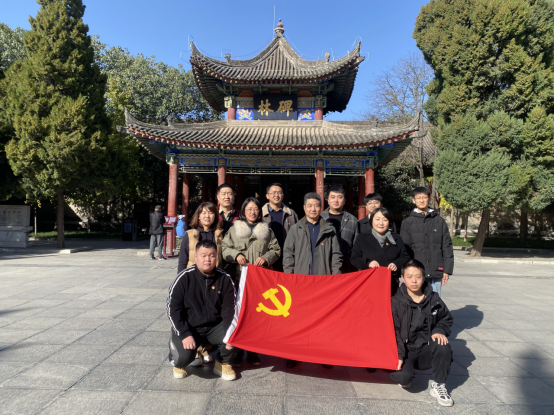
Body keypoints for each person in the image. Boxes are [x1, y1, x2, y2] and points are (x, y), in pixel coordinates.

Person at [282, 192, 343, 368]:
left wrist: (335, 278)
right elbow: (288, 255)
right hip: (300, 281)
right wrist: (289, 277)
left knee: (324, 320)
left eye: (316, 205)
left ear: (320, 207)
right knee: (298, 319)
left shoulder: (329, 229)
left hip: (323, 282)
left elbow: (336, 255)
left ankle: (323, 355)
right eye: (309, 205)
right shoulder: (295, 229)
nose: (313, 209)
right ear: (304, 208)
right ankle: (295, 353)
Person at [222, 197, 281, 367]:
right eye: (249, 209)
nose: (252, 212)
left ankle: (253, 352)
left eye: (255, 209)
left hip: (259, 282)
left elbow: (276, 249)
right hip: (240, 279)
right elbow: (224, 249)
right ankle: (238, 351)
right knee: (240, 316)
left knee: (256, 317)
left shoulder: (267, 230)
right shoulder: (234, 229)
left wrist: (266, 257)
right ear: (243, 211)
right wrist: (236, 255)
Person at [167, 240, 238, 381]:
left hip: (214, 327)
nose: (208, 259)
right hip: (190, 327)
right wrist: (184, 333)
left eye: (212, 255)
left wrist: (230, 334)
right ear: (196, 257)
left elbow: (230, 310)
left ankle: (222, 362)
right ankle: (178, 356)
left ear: (216, 257)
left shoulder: (225, 279)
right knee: (182, 359)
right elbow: (173, 309)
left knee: (237, 335)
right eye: (203, 255)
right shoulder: (184, 278)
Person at [391, 259, 454, 407]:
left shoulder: (434, 298)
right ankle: (408, 373)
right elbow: (394, 330)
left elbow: (446, 319)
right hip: (406, 350)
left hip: (426, 347)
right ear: (403, 278)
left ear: (424, 277)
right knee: (404, 379)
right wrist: (399, 354)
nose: (414, 280)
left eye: (418, 276)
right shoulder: (395, 302)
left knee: (443, 345)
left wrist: (439, 330)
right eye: (409, 276)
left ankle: (439, 385)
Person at [400, 187, 454, 297]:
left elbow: (447, 247)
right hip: (416, 272)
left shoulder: (439, 221)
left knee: (435, 301)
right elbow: (404, 249)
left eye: (424, 197)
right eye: (418, 198)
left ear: (429, 199)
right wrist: (406, 270)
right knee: (416, 300)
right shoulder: (407, 222)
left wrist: (447, 270)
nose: (421, 200)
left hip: (436, 270)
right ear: (413, 200)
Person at [350, 207, 410, 297]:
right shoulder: (362, 237)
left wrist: (396, 264)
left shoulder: (396, 238)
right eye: (377, 219)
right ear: (371, 220)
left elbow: (405, 257)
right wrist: (368, 263)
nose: (381, 223)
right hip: (369, 282)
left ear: (389, 222)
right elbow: (354, 258)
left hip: (390, 283)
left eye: (385, 220)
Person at [177, 202, 224, 275]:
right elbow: (182, 260)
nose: (207, 216)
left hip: (214, 276)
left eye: (211, 213)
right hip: (193, 276)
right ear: (199, 216)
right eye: (204, 213)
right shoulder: (190, 234)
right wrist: (181, 277)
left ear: (215, 216)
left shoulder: (219, 235)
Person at [261, 183, 299, 272]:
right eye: (274, 192)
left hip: (287, 256)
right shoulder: (261, 214)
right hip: (266, 256)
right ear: (267, 196)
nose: (277, 195)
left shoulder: (291, 214)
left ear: (283, 195)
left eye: (279, 192)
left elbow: (298, 235)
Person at [320, 185, 358, 272]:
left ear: (344, 200)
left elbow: (356, 246)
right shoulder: (320, 218)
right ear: (328, 200)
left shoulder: (352, 220)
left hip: (346, 265)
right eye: (332, 197)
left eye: (340, 197)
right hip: (323, 265)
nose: (336, 200)